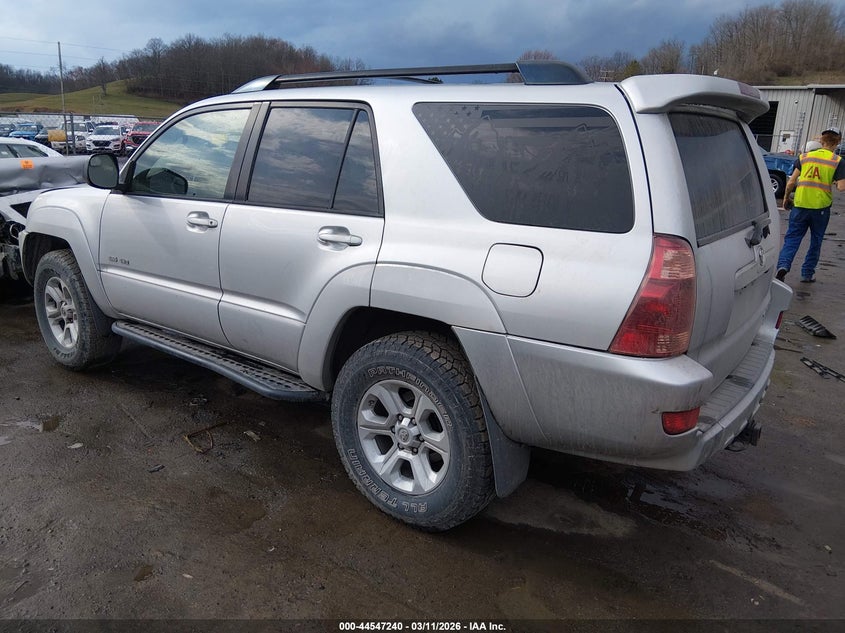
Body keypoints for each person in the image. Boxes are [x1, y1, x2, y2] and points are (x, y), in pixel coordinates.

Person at [775, 127, 845, 283]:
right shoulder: (837, 161)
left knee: (792, 238)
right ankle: (807, 273)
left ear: (821, 140)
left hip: (800, 205)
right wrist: (833, 180)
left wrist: (786, 198)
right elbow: (841, 187)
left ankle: (783, 266)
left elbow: (791, 182)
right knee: (816, 240)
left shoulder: (804, 157)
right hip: (820, 208)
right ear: (837, 143)